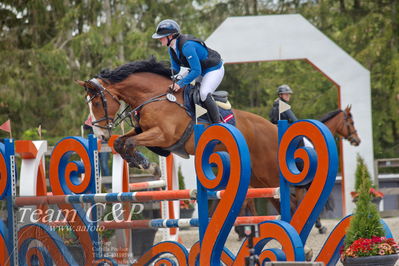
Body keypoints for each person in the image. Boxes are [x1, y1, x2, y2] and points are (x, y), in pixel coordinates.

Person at [152, 19, 224, 123]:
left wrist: (179, 84)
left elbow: (196, 71)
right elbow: (176, 69)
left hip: (213, 69)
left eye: (161, 37)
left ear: (170, 36)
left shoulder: (187, 46)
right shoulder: (171, 47)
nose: (159, 39)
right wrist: (161, 73)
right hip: (199, 70)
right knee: (185, 88)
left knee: (203, 93)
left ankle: (218, 124)